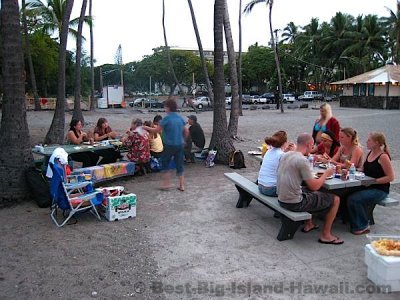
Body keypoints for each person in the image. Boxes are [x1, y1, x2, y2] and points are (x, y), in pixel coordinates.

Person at [277, 133, 343, 245]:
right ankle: (326, 235)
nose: (312, 149)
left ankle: (309, 224)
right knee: (335, 199)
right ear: (309, 144)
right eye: (312, 147)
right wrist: (326, 174)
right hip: (293, 203)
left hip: (281, 197)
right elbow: (315, 186)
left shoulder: (286, 155)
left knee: (308, 190)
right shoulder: (302, 160)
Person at [347, 132, 395, 235]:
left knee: (354, 199)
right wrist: (351, 169)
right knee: (345, 192)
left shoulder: (383, 157)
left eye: (369, 140)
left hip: (380, 189)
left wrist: (374, 182)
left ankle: (363, 225)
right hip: (367, 185)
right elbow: (363, 170)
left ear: (376, 143)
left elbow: (390, 177)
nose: (366, 142)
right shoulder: (370, 153)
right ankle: (350, 219)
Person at [143, 98, 189, 191]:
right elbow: (186, 130)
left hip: (169, 145)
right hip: (179, 144)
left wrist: (145, 127)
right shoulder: (180, 118)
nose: (165, 109)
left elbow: (156, 130)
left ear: (168, 108)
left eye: (165, 107)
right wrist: (184, 140)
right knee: (179, 165)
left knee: (165, 163)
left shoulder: (167, 119)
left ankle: (166, 184)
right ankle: (182, 185)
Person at [258, 131, 293, 197]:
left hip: (260, 186)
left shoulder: (269, 151)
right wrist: (294, 151)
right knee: (295, 188)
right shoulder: (281, 155)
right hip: (271, 189)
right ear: (285, 143)